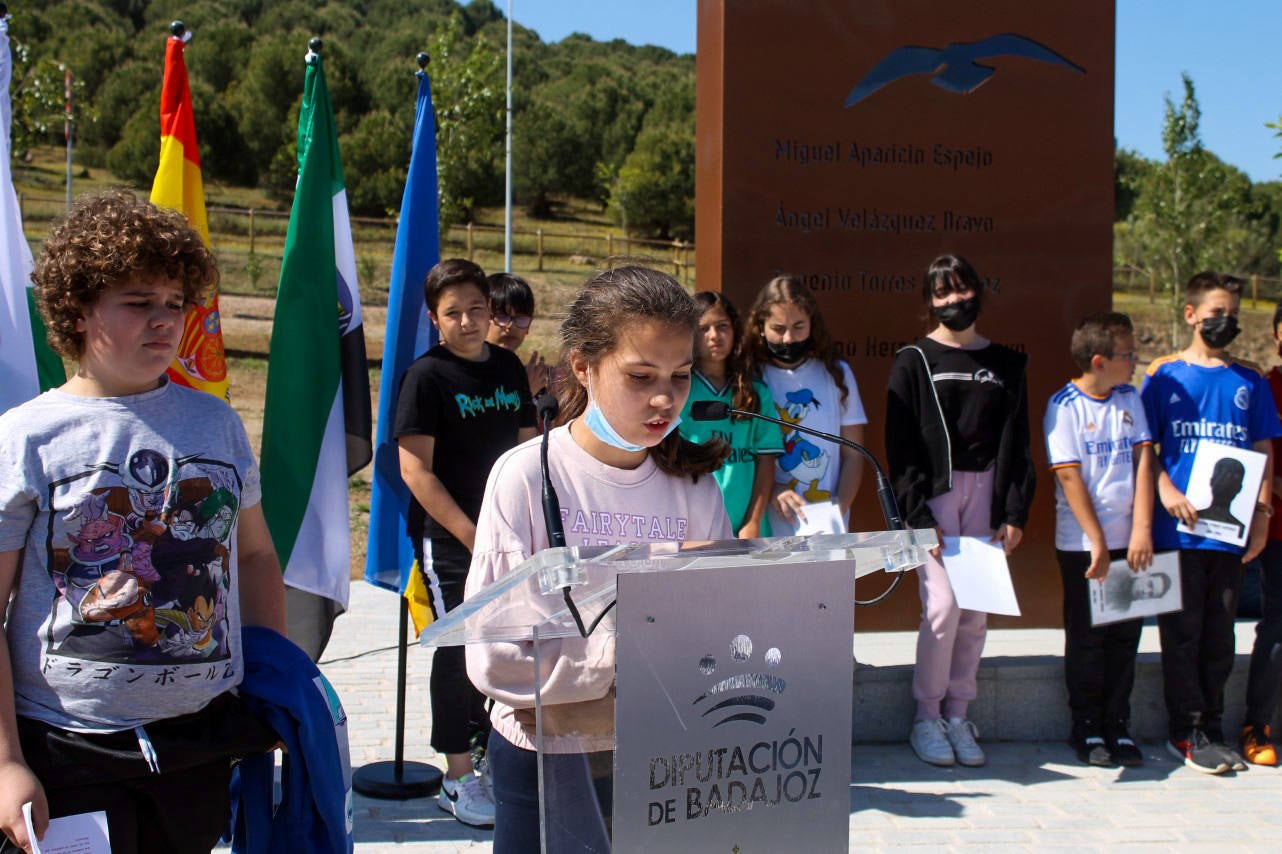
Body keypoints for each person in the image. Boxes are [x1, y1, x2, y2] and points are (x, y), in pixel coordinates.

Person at [0, 191, 285, 853]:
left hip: (202, 742)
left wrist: (274, 685)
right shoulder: (27, 438)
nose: (164, 322)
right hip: (67, 750)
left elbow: (254, 558)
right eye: (137, 303)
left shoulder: (216, 422)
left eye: (174, 303)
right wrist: (7, 761)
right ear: (76, 309)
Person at [464, 266, 733, 852]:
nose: (665, 398)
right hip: (546, 764)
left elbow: (719, 638)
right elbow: (497, 655)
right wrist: (628, 664)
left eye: (681, 377)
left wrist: (601, 701)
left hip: (663, 754)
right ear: (583, 366)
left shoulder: (695, 489)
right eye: (641, 376)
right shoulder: (527, 477)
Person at [394, 258, 537, 827]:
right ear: (435, 319)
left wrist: (522, 527)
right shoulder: (425, 377)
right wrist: (474, 535)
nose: (469, 321)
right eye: (454, 313)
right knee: (460, 649)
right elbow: (415, 472)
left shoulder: (506, 368)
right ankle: (457, 775)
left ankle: (499, 756)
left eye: (478, 309)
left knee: (515, 644)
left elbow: (529, 450)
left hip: (511, 534)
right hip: (450, 540)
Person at [885, 253, 1035, 768]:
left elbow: (1020, 446)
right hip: (937, 501)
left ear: (979, 291)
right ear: (929, 301)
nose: (954, 301)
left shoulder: (1009, 364)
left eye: (962, 290)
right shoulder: (913, 360)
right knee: (943, 608)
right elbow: (900, 446)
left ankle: (958, 714)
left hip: (989, 499)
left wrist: (1015, 512)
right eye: (942, 293)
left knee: (975, 614)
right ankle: (926, 717)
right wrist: (917, 514)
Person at [1141, 271, 1282, 774]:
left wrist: (1262, 517)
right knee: (1182, 632)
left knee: (1220, 635)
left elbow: (1263, 448)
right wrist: (1167, 492)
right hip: (1175, 532)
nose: (1225, 323)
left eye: (1233, 316)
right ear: (1191, 314)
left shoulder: (1250, 381)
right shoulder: (1164, 377)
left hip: (1228, 534)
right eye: (1216, 313)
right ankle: (1186, 732)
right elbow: (1146, 450)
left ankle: (1214, 727)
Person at [1044, 311, 1155, 767]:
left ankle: (1118, 724)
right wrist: (1097, 541)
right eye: (1127, 355)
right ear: (1099, 360)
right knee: (1088, 638)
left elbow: (1144, 459)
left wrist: (1142, 529)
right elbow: (1070, 478)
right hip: (1083, 547)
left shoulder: (1130, 397)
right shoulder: (1065, 405)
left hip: (1131, 544)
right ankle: (1087, 727)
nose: (1134, 362)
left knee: (1125, 637)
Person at [742, 276, 867, 534]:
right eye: (778, 328)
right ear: (760, 327)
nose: (788, 339)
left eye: (799, 326)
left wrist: (839, 508)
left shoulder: (838, 374)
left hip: (826, 521)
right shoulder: (749, 377)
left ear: (813, 324)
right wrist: (773, 489)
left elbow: (854, 454)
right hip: (768, 521)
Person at [678, 291, 784, 537]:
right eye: (703, 329)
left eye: (722, 326)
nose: (714, 336)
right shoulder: (680, 389)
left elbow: (766, 461)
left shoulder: (756, 392)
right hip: (695, 529)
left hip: (746, 528)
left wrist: (753, 521)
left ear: (735, 329)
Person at [1240, 303, 1282, 766]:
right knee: (1278, 626)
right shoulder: (1262, 389)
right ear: (1275, 335)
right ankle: (1257, 725)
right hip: (1277, 530)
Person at [485, 272, 548, 396]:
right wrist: (526, 392)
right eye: (502, 317)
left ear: (528, 327)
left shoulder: (523, 375)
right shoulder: (466, 373)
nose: (511, 326)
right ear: (481, 319)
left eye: (521, 318)